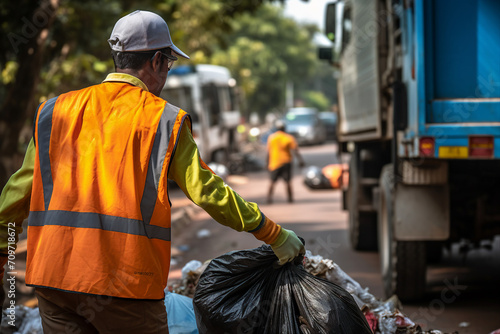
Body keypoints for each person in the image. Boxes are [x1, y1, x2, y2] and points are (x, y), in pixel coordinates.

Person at [0, 10, 304, 333]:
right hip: (125, 287)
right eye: (169, 65)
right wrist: (272, 233)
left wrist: (2, 254)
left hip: (54, 282)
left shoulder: (54, 111)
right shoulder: (164, 120)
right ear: (157, 61)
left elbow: (14, 197)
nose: (167, 74)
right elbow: (207, 191)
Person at [266, 119, 305, 204]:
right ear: (284, 128)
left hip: (274, 163)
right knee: (288, 182)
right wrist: (301, 161)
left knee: (272, 182)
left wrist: (267, 163)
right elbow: (295, 150)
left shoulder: (272, 138)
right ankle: (290, 198)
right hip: (286, 162)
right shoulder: (289, 138)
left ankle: (269, 199)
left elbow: (268, 152)